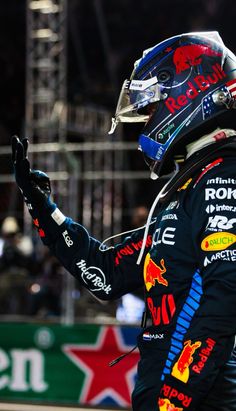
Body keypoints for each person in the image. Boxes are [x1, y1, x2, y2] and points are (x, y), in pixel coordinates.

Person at [11, 31, 236, 410]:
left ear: (187, 91)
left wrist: (176, 395)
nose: (147, 119)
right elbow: (106, 271)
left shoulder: (223, 173)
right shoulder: (187, 186)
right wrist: (42, 207)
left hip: (198, 399)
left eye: (152, 107)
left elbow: (227, 294)